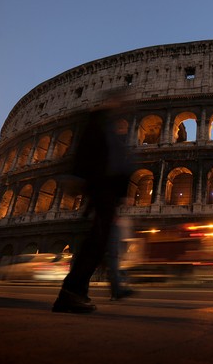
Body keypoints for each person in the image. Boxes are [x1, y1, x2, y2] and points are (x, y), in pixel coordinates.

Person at [52, 105, 134, 313]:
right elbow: (88, 155)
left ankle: (75, 292)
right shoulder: (98, 124)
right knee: (96, 244)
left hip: (105, 196)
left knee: (97, 245)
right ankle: (72, 293)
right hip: (101, 193)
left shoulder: (110, 129)